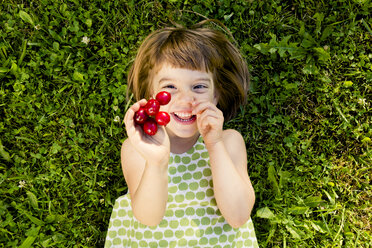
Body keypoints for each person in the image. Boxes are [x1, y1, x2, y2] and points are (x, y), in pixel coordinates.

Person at [105, 20, 259, 248]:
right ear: (151, 96)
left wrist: (214, 144)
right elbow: (148, 219)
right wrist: (157, 163)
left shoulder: (228, 142)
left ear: (216, 96)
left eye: (199, 87)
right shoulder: (137, 148)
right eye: (169, 88)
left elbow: (238, 216)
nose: (186, 100)